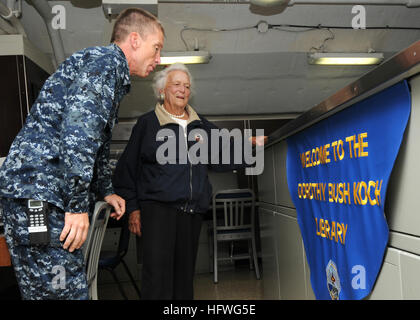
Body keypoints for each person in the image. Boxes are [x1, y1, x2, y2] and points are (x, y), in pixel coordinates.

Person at [0, 8, 164, 300]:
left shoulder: (107, 71)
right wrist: (76, 206)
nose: (159, 59)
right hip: (41, 195)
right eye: (157, 48)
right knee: (63, 293)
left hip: (41, 193)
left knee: (54, 292)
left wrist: (105, 190)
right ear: (135, 40)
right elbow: (79, 134)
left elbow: (96, 141)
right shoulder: (104, 64)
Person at [113, 63, 266, 300]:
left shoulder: (199, 124)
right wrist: (133, 209)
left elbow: (223, 150)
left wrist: (252, 144)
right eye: (176, 84)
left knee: (184, 278)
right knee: (157, 278)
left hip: (192, 211)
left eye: (187, 86)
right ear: (162, 90)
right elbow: (127, 170)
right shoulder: (148, 124)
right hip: (158, 211)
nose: (182, 89)